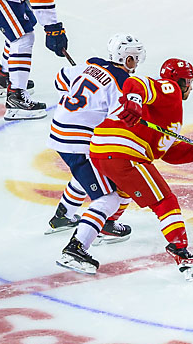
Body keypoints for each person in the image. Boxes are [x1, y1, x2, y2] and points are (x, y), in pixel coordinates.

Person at [57, 59, 193, 281]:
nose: (188, 87)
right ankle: (183, 256)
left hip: (102, 151)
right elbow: (136, 83)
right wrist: (135, 101)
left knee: (118, 194)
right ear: (182, 81)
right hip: (123, 152)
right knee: (165, 201)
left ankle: (82, 242)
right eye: (188, 81)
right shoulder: (171, 89)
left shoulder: (168, 112)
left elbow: (167, 151)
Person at [45, 34, 145, 244]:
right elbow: (120, 121)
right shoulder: (123, 84)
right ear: (128, 60)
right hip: (78, 141)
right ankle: (102, 226)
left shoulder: (90, 64)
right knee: (109, 195)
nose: (137, 61)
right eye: (135, 57)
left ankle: (63, 216)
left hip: (59, 131)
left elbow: (58, 81)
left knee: (90, 173)